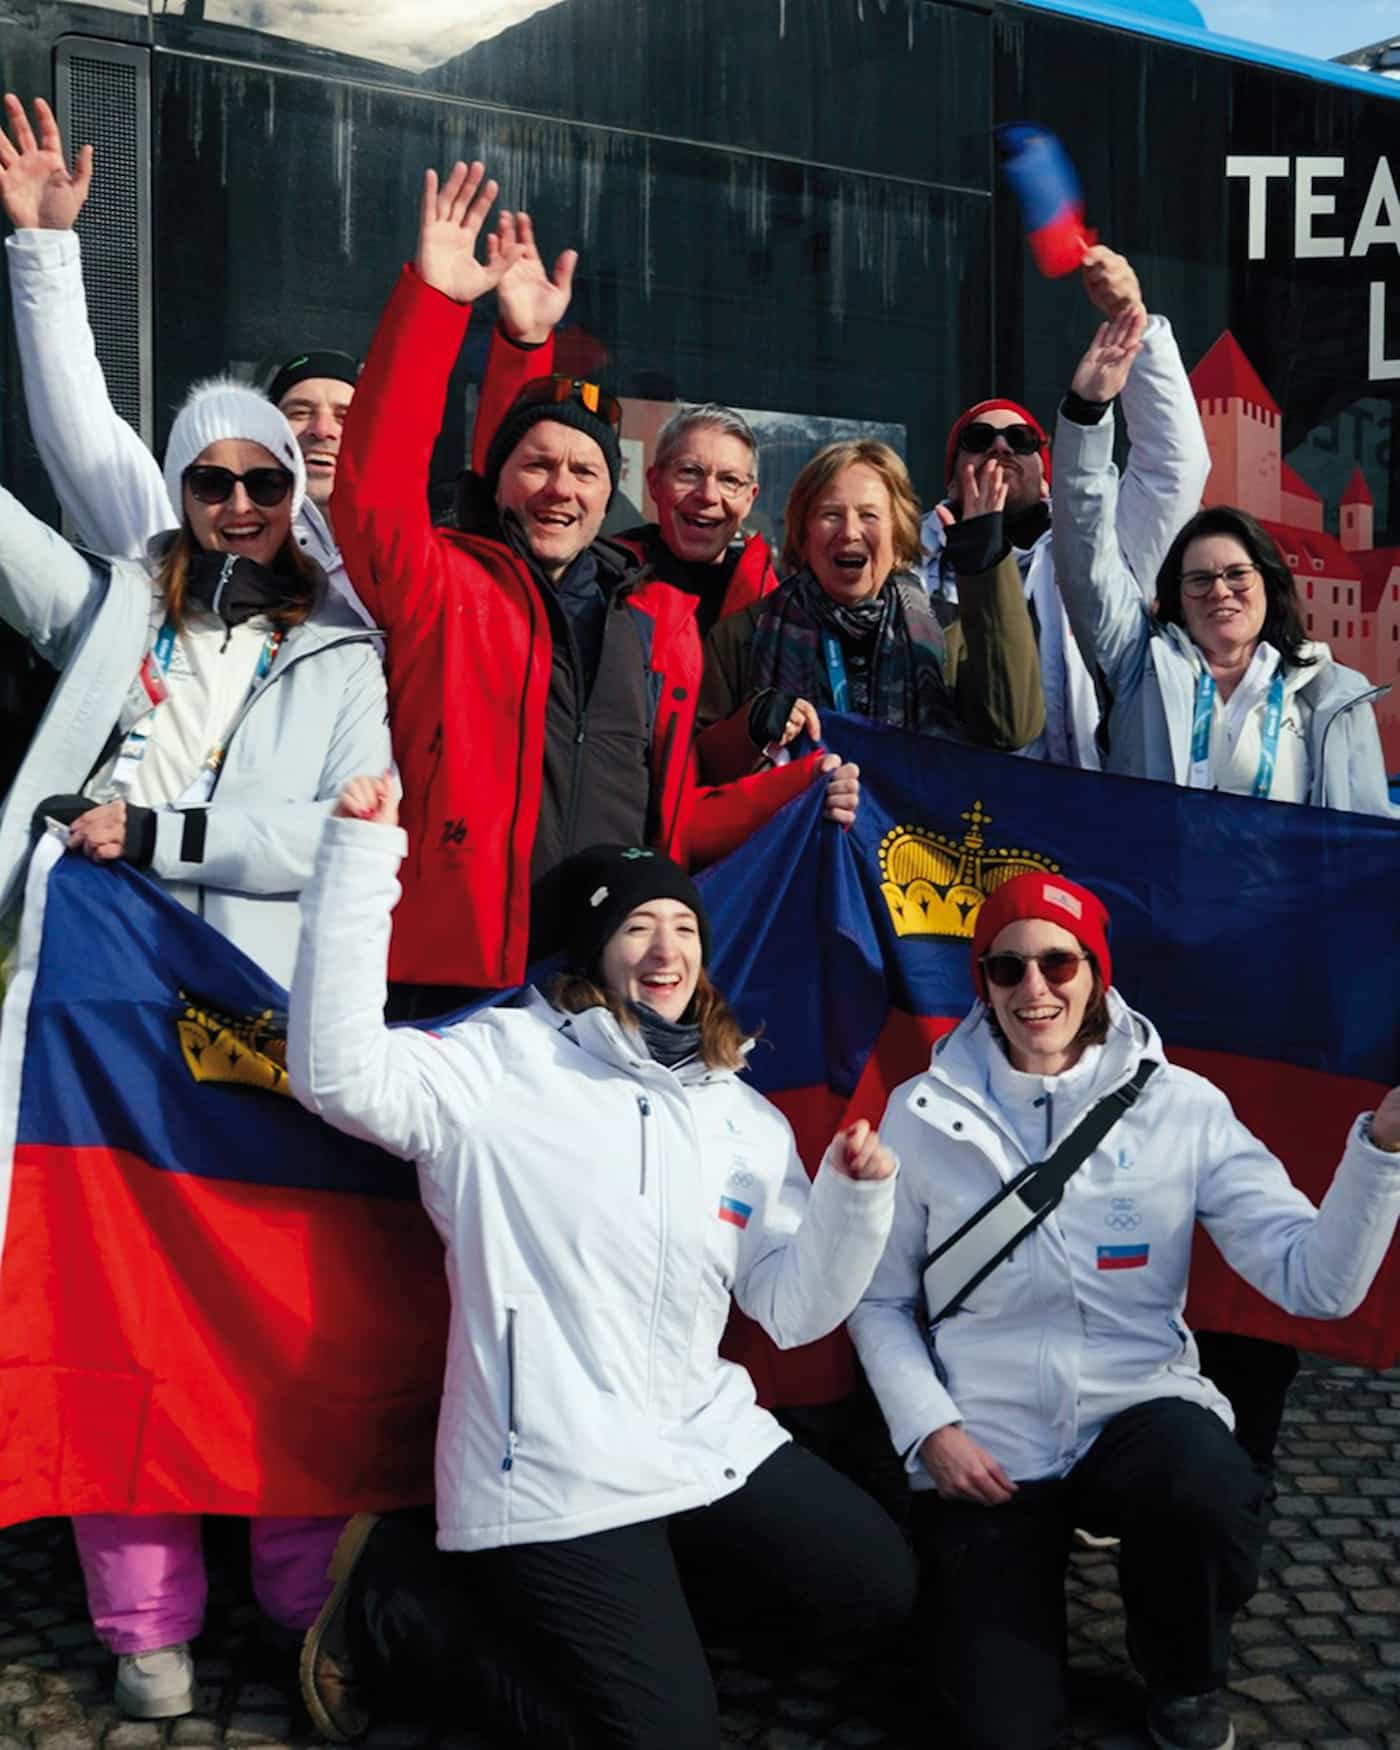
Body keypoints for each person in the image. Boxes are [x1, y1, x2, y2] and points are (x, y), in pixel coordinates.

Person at [285, 796, 916, 1748]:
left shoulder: (740, 1115)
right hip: (553, 1462)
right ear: (591, 949)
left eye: (684, 928)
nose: (666, 952)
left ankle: (629, 1622)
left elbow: (790, 1310)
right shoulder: (500, 1064)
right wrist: (360, 856)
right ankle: (407, 1613)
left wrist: (853, 1204)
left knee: (878, 1587)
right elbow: (335, 1076)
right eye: (636, 927)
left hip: (698, 1440)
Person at [0, 376, 391, 1719]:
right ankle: (143, 1618)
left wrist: (156, 836)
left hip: (255, 1020)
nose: (238, 507)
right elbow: (23, 513)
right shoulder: (115, 607)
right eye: (211, 483)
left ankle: (295, 1585)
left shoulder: (349, 649)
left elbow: (326, 834)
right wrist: (41, 254)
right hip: (98, 1013)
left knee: (269, 1302)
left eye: (264, 483)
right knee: (111, 1292)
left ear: (297, 496)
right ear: (177, 493)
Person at [849, 870, 1400, 1750]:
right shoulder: (921, 1112)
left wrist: (1383, 1148)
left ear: (1096, 973)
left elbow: (1317, 1284)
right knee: (999, 1727)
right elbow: (878, 1301)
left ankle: (1183, 1677)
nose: (1035, 990)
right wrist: (931, 1430)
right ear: (981, 984)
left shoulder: (1182, 1108)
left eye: (1059, 964)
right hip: (988, 1440)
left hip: (1134, 1407)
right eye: (1007, 968)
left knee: (1206, 1485)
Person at [334, 161, 858, 1016]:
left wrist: (802, 783)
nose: (561, 488)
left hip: (604, 993)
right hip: (451, 979)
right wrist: (436, 302)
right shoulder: (440, 583)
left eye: (584, 470)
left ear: (609, 489)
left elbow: (678, 826)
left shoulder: (660, 620)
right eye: (536, 466)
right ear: (495, 480)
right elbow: (373, 483)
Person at [0, 94, 370, 622]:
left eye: (346, 416)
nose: (323, 430)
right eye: (299, 413)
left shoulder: (398, 566)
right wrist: (45, 248)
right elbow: (79, 431)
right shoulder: (188, 526)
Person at [1051, 306, 1393, 816]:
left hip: (1278, 898)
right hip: (1159, 895)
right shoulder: (1136, 666)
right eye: (1199, 580)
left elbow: (1367, 838)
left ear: (1268, 584)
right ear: (1176, 598)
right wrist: (1086, 414)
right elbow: (1085, 547)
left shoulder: (1328, 693)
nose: (1219, 591)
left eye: (1237, 575)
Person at [921, 246, 1211, 769]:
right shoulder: (906, 561)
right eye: (980, 436)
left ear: (1047, 469)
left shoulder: (1108, 548)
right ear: (951, 473)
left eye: (1023, 440)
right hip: (958, 825)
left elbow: (1175, 468)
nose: (1001, 448)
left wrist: (1137, 330)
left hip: (1087, 818)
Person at [696, 438, 1045, 779]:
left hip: (914, 834)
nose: (849, 532)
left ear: (899, 535)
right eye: (830, 514)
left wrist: (984, 565)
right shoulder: (744, 635)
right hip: (798, 833)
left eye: (869, 515)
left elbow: (1010, 728)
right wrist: (751, 727)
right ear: (803, 534)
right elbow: (700, 770)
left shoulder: (947, 633)